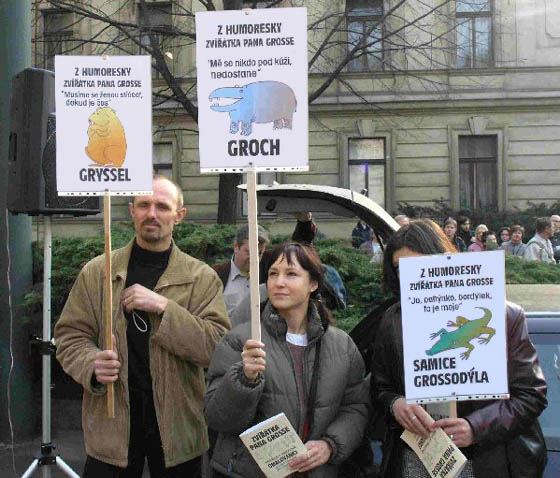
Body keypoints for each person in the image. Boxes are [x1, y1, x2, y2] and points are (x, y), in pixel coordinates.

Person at [54, 176, 231, 477]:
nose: (152, 214)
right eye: (144, 205)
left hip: (177, 429)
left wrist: (164, 307)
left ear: (179, 215)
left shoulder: (200, 278)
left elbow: (216, 347)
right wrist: (91, 364)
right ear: (132, 210)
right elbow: (70, 336)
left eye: (162, 206)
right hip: (111, 428)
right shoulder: (98, 272)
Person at [370, 219, 548, 478]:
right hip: (417, 459)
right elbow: (380, 388)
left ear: (445, 261)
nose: (410, 277)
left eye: (420, 266)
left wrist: (475, 427)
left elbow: (531, 396)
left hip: (488, 461)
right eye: (400, 269)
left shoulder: (505, 316)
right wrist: (395, 404)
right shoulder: (393, 320)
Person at [205, 242, 369, 478]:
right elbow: (219, 419)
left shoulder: (341, 346)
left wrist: (330, 445)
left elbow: (356, 407)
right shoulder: (242, 341)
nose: (278, 282)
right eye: (273, 274)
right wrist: (243, 380)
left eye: (291, 274)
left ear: (313, 284)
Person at [213, 213, 316, 314]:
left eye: (259, 253)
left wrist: (305, 222)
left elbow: (298, 249)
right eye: (249, 252)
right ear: (236, 246)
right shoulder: (216, 275)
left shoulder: (269, 265)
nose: (255, 259)